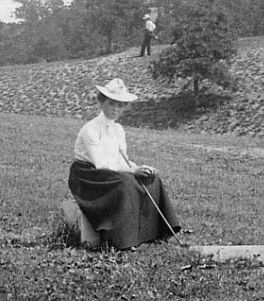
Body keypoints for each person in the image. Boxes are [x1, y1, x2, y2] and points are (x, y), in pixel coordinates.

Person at [68, 78, 180, 249]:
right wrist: (132, 171)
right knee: (125, 183)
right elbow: (101, 164)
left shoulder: (118, 130)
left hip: (112, 171)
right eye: (112, 103)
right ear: (101, 101)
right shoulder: (90, 129)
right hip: (89, 176)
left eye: (120, 105)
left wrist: (139, 168)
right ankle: (123, 240)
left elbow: (121, 159)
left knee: (152, 180)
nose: (116, 109)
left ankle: (154, 234)